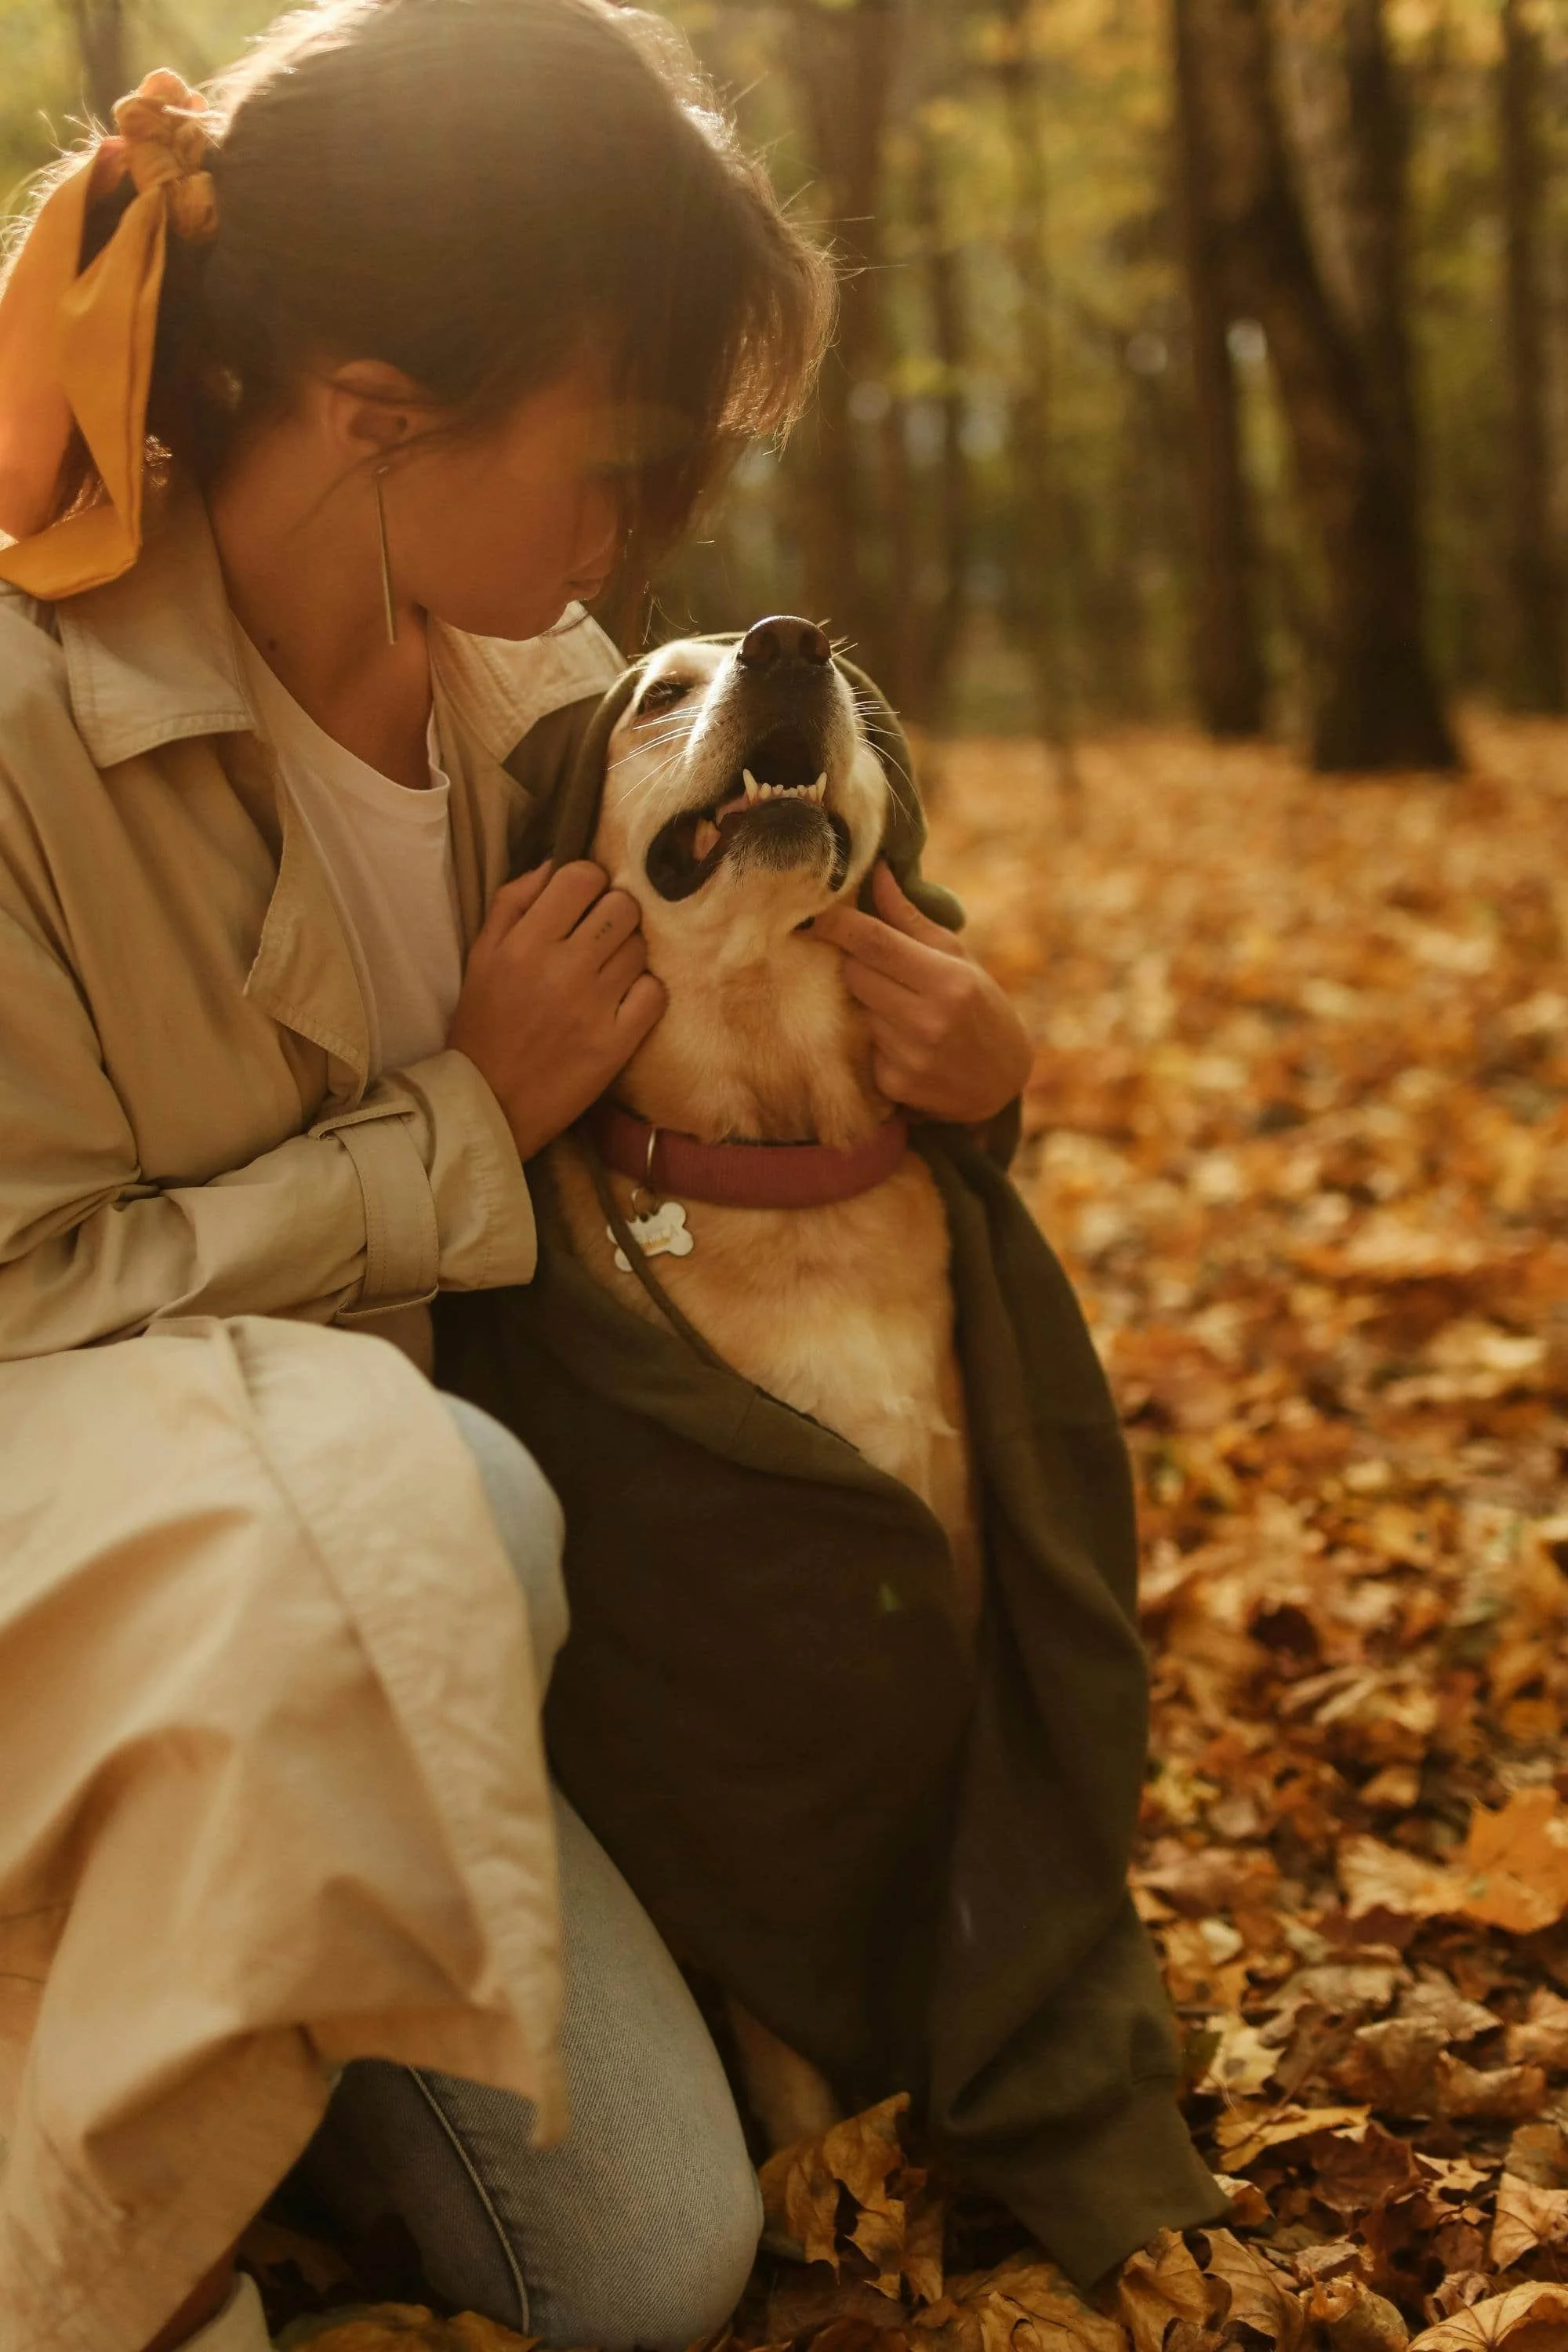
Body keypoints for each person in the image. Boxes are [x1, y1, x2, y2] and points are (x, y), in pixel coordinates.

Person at [0, 9, 1036, 2352]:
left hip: (467, 1624)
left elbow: (752, 1021)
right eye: (618, 461)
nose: (645, 536)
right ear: (372, 411)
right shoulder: (24, 735)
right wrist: (463, 1126)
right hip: (129, 1658)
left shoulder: (535, 678)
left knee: (662, 2252)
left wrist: (969, 1062)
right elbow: (17, 1297)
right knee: (450, 1491)